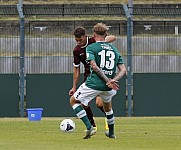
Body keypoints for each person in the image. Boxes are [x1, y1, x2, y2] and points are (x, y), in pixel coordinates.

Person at [69, 22, 126, 139]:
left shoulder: (91, 46)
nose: (78, 43)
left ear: (93, 35)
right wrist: (112, 80)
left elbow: (94, 66)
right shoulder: (114, 49)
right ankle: (111, 132)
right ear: (106, 34)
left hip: (95, 82)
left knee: (74, 101)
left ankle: (89, 127)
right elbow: (123, 69)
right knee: (107, 107)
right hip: (109, 86)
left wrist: (107, 80)